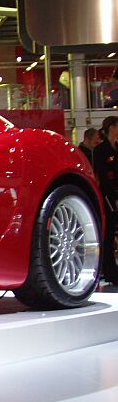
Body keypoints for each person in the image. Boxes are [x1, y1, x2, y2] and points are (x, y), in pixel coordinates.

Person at [93, 117, 118, 284]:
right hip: (108, 196)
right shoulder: (101, 150)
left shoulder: (116, 148)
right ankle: (109, 271)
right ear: (112, 127)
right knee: (108, 233)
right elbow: (101, 175)